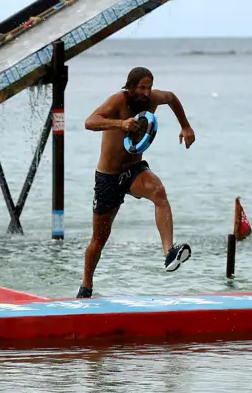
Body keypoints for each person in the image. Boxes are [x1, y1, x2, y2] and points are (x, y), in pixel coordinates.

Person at [77, 67, 196, 299]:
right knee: (99, 239)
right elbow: (89, 122)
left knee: (158, 192)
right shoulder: (118, 100)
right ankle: (86, 286)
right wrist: (120, 124)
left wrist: (185, 125)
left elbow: (171, 98)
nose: (146, 92)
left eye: (149, 87)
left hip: (133, 170)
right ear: (130, 87)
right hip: (108, 177)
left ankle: (169, 252)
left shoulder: (152, 100)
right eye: (141, 87)